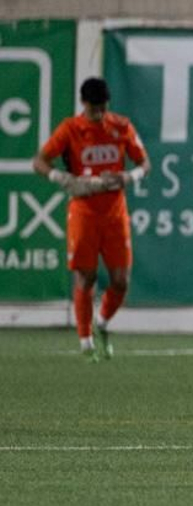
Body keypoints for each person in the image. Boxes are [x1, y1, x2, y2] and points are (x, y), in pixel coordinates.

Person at [33, 77, 148, 360]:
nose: (99, 113)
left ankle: (103, 320)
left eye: (103, 107)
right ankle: (85, 341)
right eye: (94, 108)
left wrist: (128, 176)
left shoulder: (120, 126)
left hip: (114, 211)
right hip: (84, 210)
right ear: (84, 104)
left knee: (121, 280)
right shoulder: (71, 129)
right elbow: (39, 162)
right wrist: (64, 178)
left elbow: (145, 163)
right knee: (86, 275)